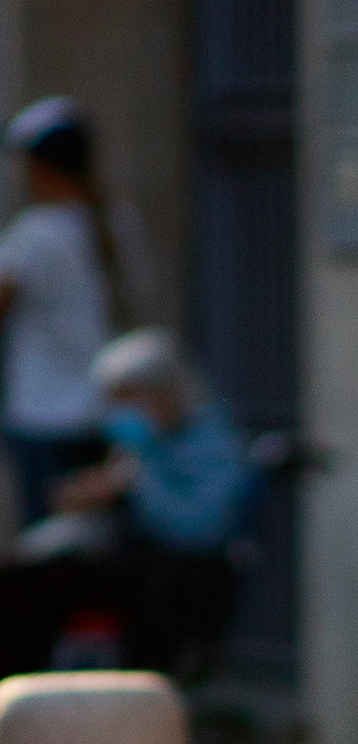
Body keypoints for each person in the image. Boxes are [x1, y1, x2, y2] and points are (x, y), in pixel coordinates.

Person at [0, 328, 252, 679]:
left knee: (43, 581)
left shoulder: (209, 443)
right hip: (136, 564)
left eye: (127, 399)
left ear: (163, 393)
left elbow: (199, 526)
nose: (119, 413)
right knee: (22, 574)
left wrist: (132, 483)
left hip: (176, 577)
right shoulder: (146, 443)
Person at [0, 97, 119, 525]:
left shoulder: (34, 234)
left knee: (48, 544)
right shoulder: (116, 224)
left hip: (44, 412)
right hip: (104, 410)